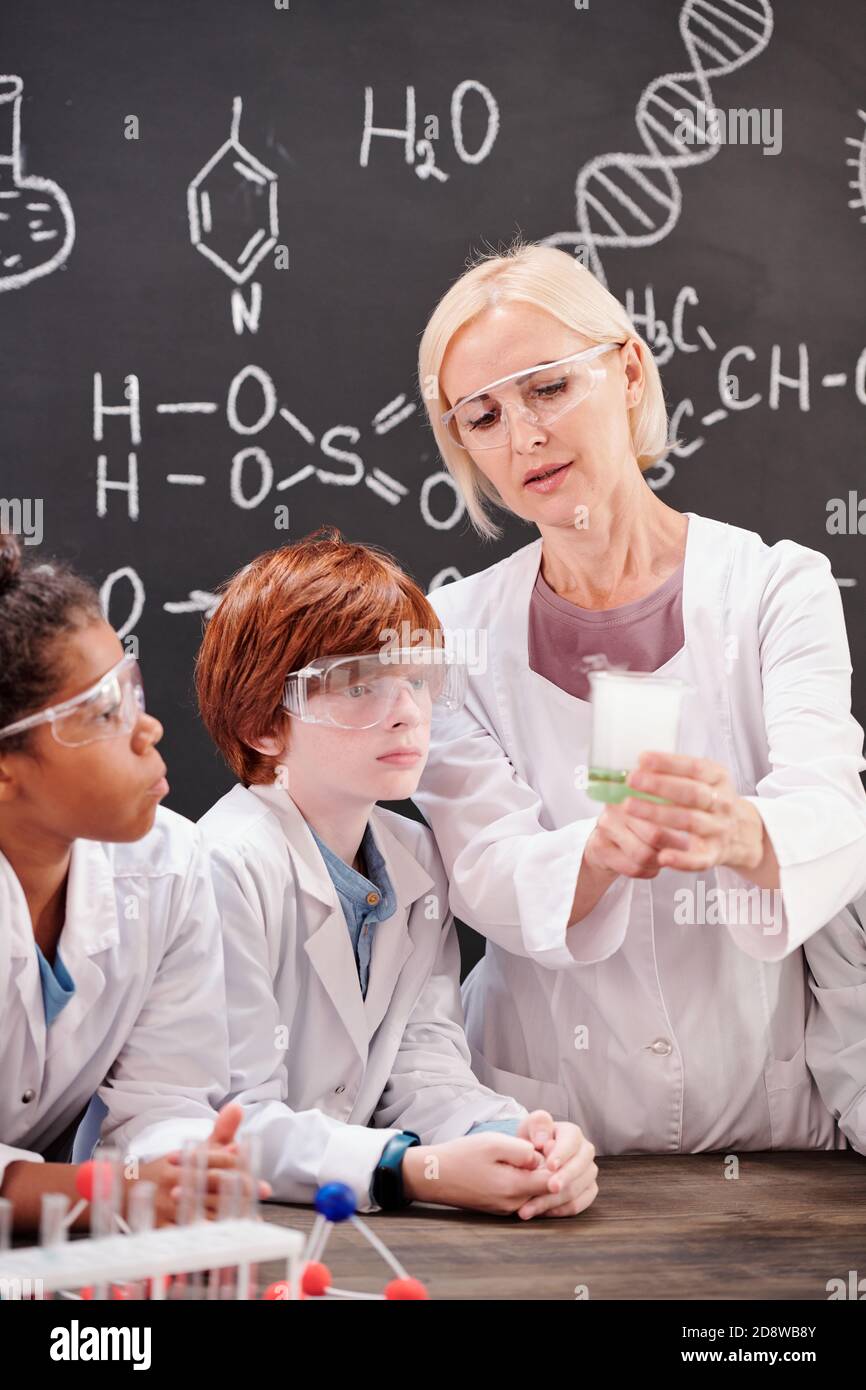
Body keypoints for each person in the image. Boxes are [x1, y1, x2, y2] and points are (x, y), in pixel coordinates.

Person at [411, 240, 866, 1154]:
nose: (524, 437)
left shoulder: (778, 586)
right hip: (545, 1125)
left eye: (547, 387)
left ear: (626, 370)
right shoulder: (448, 632)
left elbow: (831, 805)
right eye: (483, 415)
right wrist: (599, 852)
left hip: (766, 1118)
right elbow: (485, 870)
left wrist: (743, 833)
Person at [196, 529, 598, 1217]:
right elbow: (231, 1119)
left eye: (416, 679)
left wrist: (516, 1138)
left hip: (338, 1225)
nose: (407, 711)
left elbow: (423, 1066)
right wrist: (412, 1170)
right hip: (211, 1235)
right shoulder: (223, 865)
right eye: (360, 685)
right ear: (266, 725)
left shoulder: (413, 857)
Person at [0, 533, 269, 1230]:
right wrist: (109, 1188)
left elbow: (162, 1096)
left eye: (133, 690)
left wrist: (180, 1171)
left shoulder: (170, 862)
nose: (147, 728)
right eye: (103, 712)